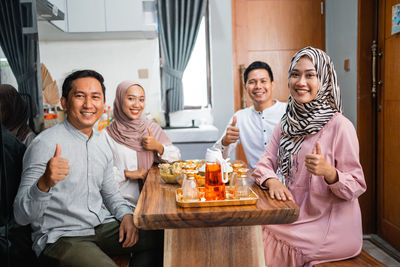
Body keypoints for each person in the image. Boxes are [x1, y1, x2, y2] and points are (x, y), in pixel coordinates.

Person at [13, 70, 143, 267]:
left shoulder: (101, 144)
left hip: (100, 226)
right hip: (62, 237)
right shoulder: (44, 144)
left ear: (103, 102)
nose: (89, 104)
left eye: (95, 97)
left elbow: (112, 195)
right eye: (80, 96)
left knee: (163, 235)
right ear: (64, 103)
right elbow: (20, 216)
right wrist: (44, 183)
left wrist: (126, 215)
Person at [252, 47, 366, 266]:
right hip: (297, 215)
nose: (300, 82)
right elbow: (264, 162)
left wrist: (329, 173)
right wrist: (272, 180)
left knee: (261, 237)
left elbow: (357, 185)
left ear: (324, 79)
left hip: (331, 226)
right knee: (251, 229)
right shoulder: (287, 124)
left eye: (310, 75)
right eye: (295, 74)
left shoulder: (340, 126)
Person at [103, 80, 180, 266]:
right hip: (121, 207)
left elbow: (175, 158)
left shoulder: (150, 128)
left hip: (151, 204)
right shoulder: (107, 135)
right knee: (156, 239)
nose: (137, 104)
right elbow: (101, 177)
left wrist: (158, 147)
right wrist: (129, 174)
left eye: (141, 99)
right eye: (131, 99)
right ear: (120, 100)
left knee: (162, 239)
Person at [213, 61, 286, 170]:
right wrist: (225, 141)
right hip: (257, 182)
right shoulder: (240, 117)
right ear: (245, 87)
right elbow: (216, 158)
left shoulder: (288, 111)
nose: (258, 86)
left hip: (288, 182)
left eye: (263, 81)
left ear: (272, 85)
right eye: (252, 82)